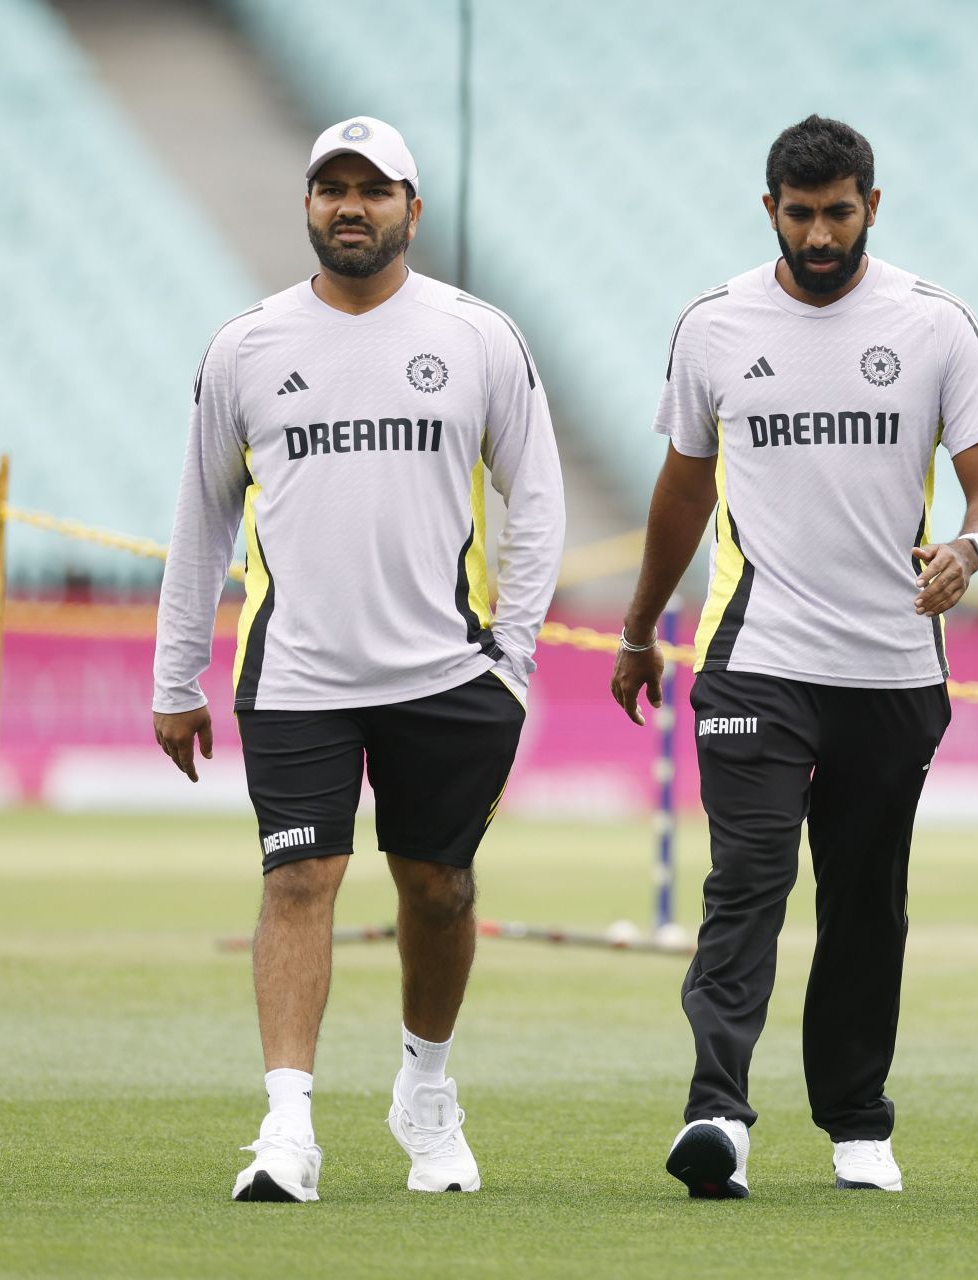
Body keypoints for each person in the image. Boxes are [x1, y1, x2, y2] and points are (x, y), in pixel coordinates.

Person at [151, 116, 564, 1202]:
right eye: (331, 186)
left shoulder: (480, 336)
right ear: (306, 205)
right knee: (300, 877)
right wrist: (174, 673)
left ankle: (426, 1090)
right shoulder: (245, 345)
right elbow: (200, 516)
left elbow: (540, 497)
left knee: (438, 887)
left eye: (374, 189)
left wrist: (513, 655)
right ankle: (287, 1127)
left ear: (411, 210)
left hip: (445, 674)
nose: (351, 205)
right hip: (297, 675)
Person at [610, 114, 978, 1199]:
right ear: (770, 211)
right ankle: (716, 1114)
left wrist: (969, 548)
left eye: (840, 212)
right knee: (748, 877)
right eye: (801, 215)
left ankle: (856, 1122)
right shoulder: (713, 326)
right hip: (758, 652)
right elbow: (684, 490)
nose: (821, 233)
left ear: (872, 207)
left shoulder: (938, 327)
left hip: (893, 667)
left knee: (864, 899)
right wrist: (640, 623)